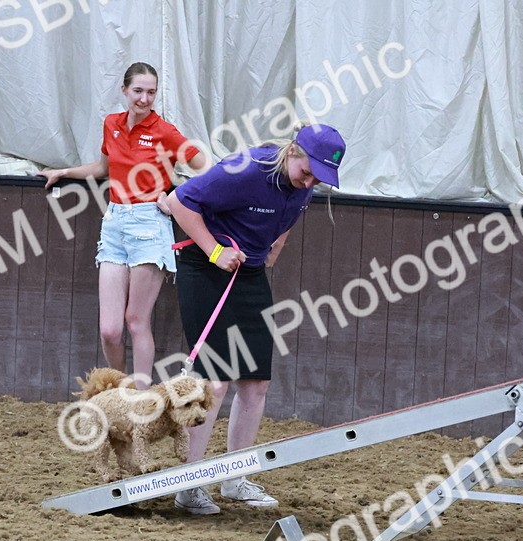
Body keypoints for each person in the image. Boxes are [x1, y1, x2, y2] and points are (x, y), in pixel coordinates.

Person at [165, 122, 346, 515]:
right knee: (215, 379)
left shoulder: (303, 187)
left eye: (318, 178)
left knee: (256, 381)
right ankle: (188, 484)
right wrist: (215, 251)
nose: (309, 182)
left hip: (247, 271)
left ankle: (234, 478)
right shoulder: (247, 170)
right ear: (293, 151)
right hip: (204, 264)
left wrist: (270, 253)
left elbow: (285, 223)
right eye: (307, 171)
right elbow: (178, 201)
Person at [40, 63, 206, 389]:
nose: (144, 99)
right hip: (115, 222)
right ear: (125, 90)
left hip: (149, 223)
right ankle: (120, 390)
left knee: (136, 320)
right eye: (138, 91)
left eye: (151, 92)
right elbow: (103, 168)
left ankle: (140, 398)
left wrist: (175, 198)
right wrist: (64, 172)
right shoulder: (112, 124)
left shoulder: (165, 132)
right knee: (109, 329)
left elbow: (203, 167)